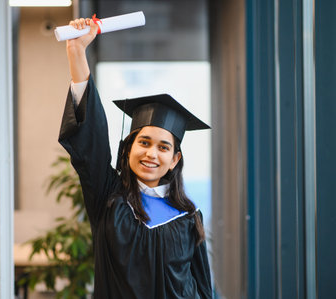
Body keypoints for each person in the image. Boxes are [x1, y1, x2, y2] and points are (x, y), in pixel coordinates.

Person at [58, 17, 212, 298]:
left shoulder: (189, 217)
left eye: (163, 147)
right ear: (128, 148)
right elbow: (89, 139)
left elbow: (202, 286)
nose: (152, 153)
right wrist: (77, 51)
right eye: (144, 142)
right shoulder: (109, 198)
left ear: (175, 159)